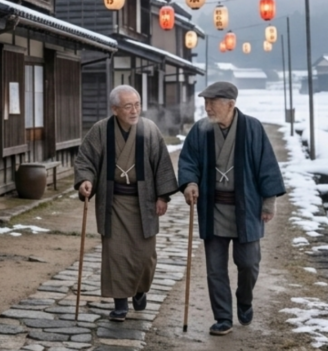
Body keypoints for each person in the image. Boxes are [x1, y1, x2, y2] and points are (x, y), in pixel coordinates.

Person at [177, 81, 285, 336]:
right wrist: (190, 183)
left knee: (248, 263)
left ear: (230, 104)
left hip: (245, 208)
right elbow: (188, 160)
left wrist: (269, 202)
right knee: (215, 268)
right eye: (205, 103)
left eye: (212, 103)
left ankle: (244, 299)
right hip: (213, 208)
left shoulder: (252, 128)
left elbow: (266, 166)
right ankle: (223, 317)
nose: (207, 108)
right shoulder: (201, 130)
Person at [74, 85, 179, 322]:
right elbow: (86, 160)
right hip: (113, 203)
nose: (134, 110)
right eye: (128, 106)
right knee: (116, 255)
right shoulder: (101, 130)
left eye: (137, 105)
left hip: (144, 203)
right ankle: (120, 304)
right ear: (114, 109)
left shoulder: (149, 130)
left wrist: (162, 197)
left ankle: (140, 290)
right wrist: (85, 181)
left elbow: (162, 163)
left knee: (146, 255)